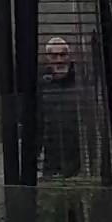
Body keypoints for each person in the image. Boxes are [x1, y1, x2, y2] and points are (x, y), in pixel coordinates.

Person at [39, 37, 83, 179]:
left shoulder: (80, 81)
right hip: (51, 154)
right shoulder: (41, 85)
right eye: (54, 56)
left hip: (78, 153)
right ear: (48, 59)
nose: (59, 60)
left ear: (69, 57)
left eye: (63, 55)